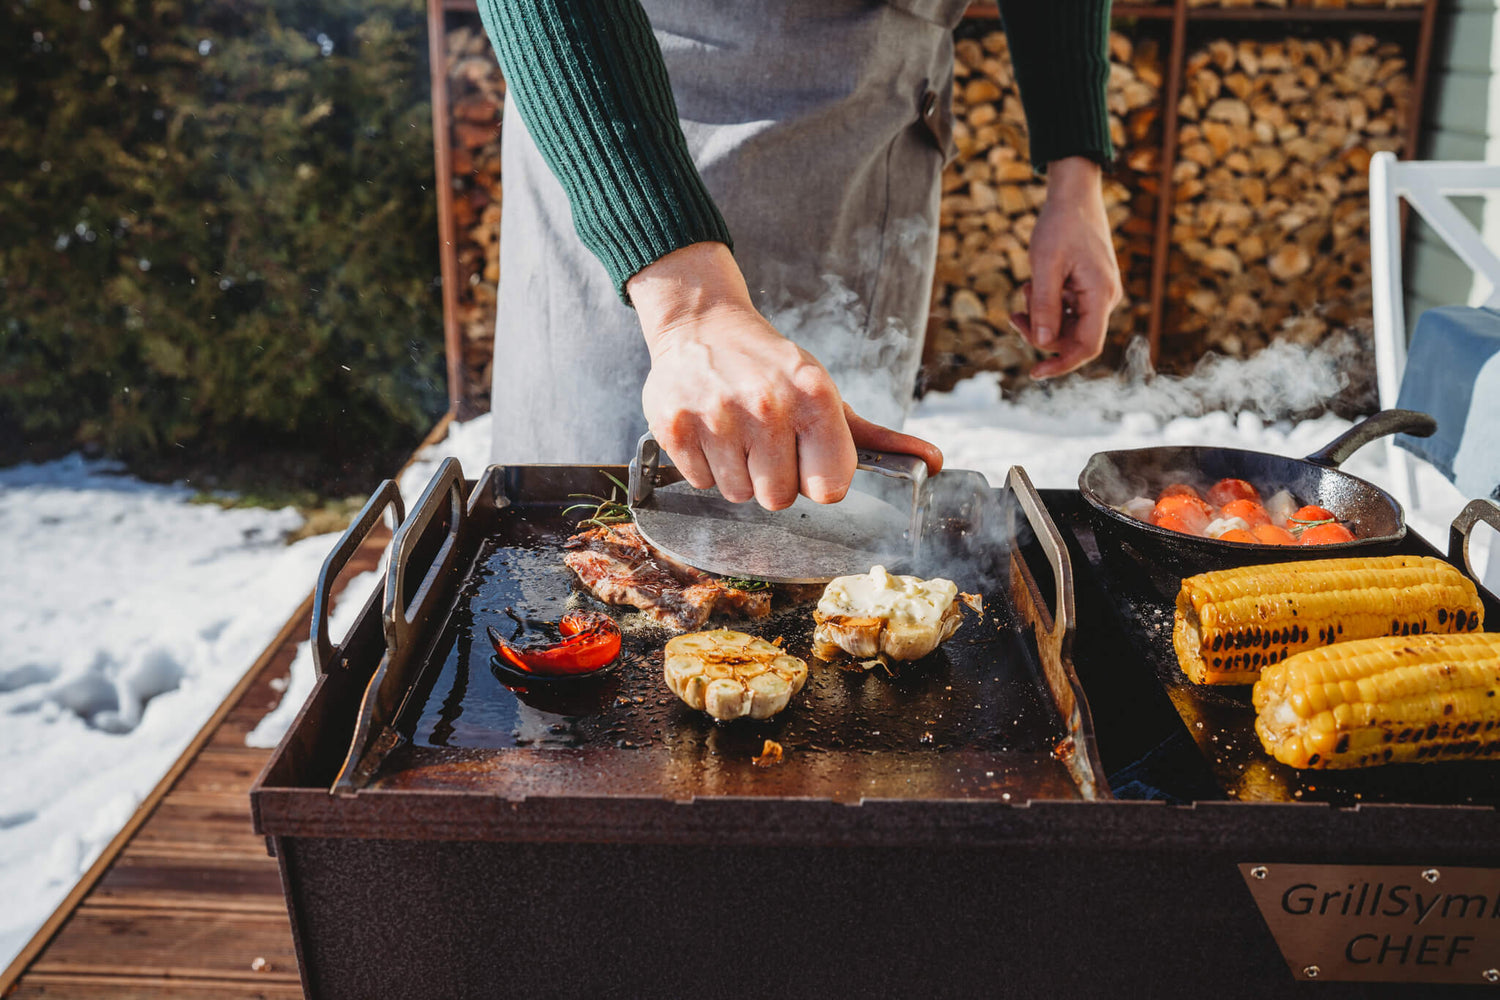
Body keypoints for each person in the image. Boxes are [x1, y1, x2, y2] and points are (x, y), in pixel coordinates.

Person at [477, 1, 1122, 510]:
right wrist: (689, 306)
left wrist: (1075, 167)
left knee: (836, 528)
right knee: (584, 531)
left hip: (883, 132)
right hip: (627, 115)